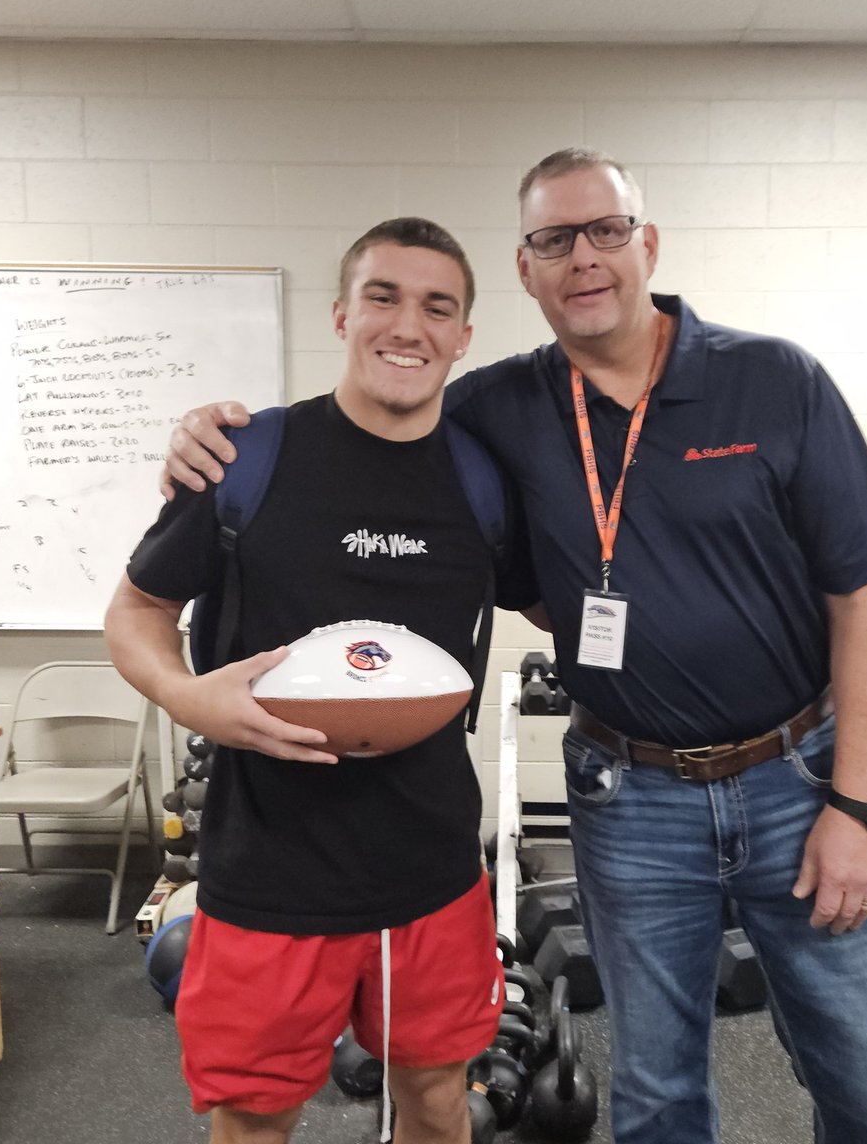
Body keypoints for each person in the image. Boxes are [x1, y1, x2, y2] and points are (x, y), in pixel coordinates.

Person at [161, 150, 867, 1144]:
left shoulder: (774, 380)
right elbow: (371, 420)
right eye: (552, 239)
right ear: (525, 270)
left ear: (646, 244)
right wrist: (210, 434)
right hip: (631, 791)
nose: (584, 256)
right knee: (655, 1094)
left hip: (800, 780)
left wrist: (861, 804)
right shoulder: (495, 409)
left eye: (606, 230)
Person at [104, 217, 537, 1144]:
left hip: (431, 873)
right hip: (269, 872)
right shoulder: (243, 459)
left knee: (435, 1100)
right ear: (342, 313)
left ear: (464, 335)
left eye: (437, 306)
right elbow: (135, 613)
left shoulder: (484, 485)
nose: (407, 325)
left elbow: (570, 603)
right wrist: (189, 697)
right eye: (382, 296)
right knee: (256, 1120)